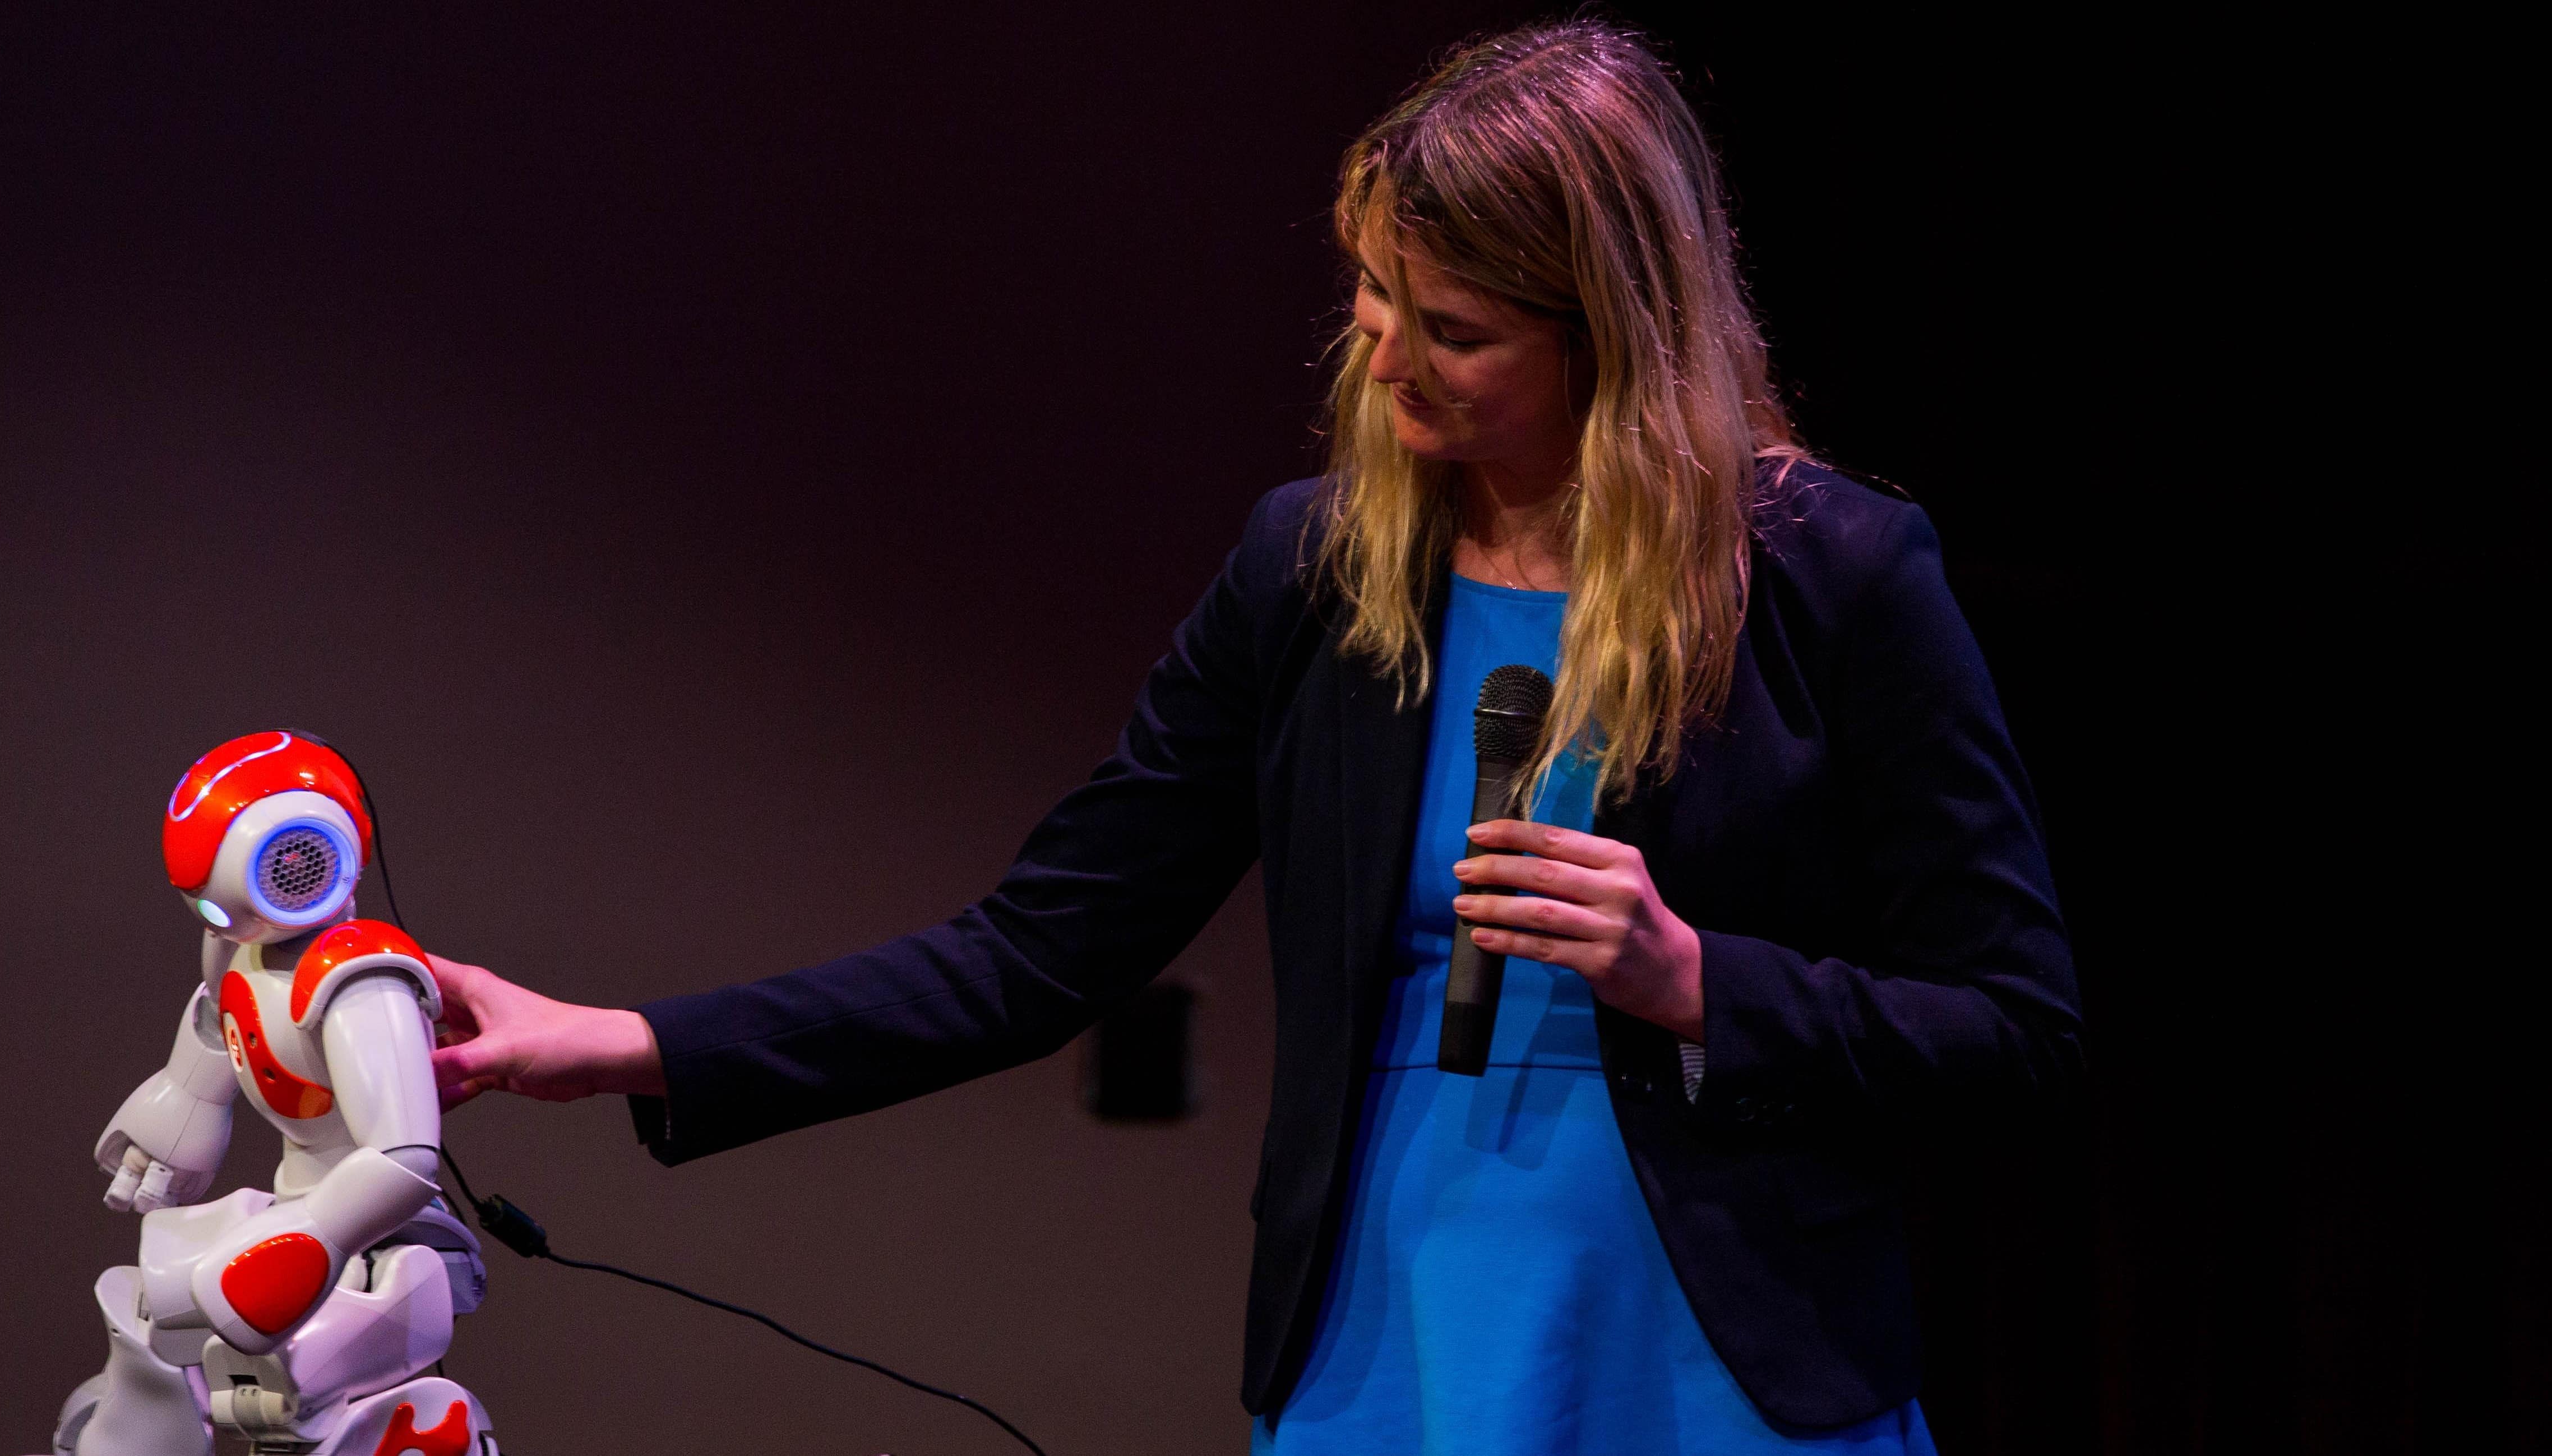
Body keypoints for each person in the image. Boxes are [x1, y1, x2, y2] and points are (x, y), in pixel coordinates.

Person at [424, 17, 2077, 1453]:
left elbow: (2015, 1027)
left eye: (1454, 331)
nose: (1385, 353)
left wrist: (1702, 982)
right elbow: (1038, 949)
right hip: (1389, 1335)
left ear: (1611, 339)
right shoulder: (1314, 574)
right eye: (1372, 293)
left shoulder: (1832, 576)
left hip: (1716, 1352)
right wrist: (626, 1040)